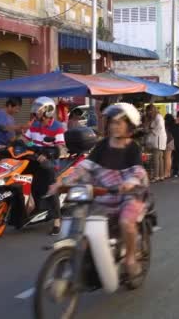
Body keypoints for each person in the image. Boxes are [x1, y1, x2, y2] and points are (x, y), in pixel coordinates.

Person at [51, 103, 148, 279]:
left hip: (128, 195)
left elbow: (138, 170)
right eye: (112, 122)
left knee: (126, 222)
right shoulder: (102, 145)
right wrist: (64, 181)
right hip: (103, 194)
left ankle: (131, 257)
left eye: (119, 123)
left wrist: (130, 182)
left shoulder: (132, 147)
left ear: (130, 125)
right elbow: (85, 166)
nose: (114, 126)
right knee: (80, 218)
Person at [22, 97, 66, 235]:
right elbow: (26, 140)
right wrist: (18, 144)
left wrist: (47, 154)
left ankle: (57, 220)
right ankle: (32, 209)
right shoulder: (34, 125)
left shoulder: (57, 127)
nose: (37, 113)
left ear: (48, 111)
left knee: (50, 188)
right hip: (34, 158)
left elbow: (60, 148)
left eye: (39, 110)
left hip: (50, 161)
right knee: (24, 178)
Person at [144, 105, 166, 182]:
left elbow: (159, 127)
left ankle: (156, 176)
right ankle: (161, 176)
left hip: (158, 139)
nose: (148, 113)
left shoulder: (158, 117)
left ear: (151, 110)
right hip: (158, 138)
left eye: (148, 111)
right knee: (160, 158)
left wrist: (151, 130)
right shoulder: (156, 117)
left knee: (156, 158)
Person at [164, 114, 175, 179]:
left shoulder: (165, 124)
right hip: (171, 140)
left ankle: (166, 173)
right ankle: (168, 173)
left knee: (166, 158)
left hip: (166, 140)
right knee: (169, 157)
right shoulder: (173, 124)